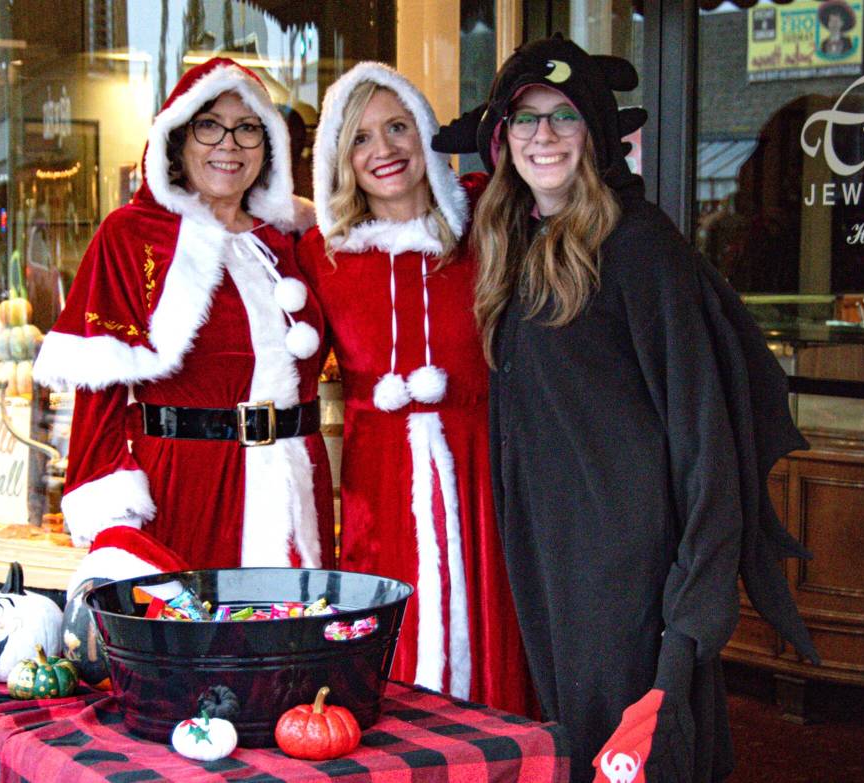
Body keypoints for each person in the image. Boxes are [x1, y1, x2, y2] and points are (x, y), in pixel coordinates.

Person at [434, 35, 818, 782]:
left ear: (599, 133)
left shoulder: (642, 249)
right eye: (525, 119)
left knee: (641, 757)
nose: (543, 137)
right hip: (552, 560)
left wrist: (689, 618)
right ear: (501, 138)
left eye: (566, 117)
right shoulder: (518, 244)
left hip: (631, 574)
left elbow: (705, 440)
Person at [297, 62, 534, 716]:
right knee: (389, 640)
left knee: (489, 622)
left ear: (425, 133)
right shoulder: (320, 253)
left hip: (482, 474)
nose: (385, 150)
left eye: (398, 127)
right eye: (362, 138)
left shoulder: (487, 226)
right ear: (340, 159)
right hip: (381, 483)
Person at [33, 58, 334, 571]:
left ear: (271, 147)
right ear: (178, 139)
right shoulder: (132, 237)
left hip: (294, 488)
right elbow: (98, 401)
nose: (229, 145)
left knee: (289, 643)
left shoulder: (291, 239)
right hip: (184, 489)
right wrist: (116, 524)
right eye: (209, 126)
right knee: (196, 643)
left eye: (248, 129)